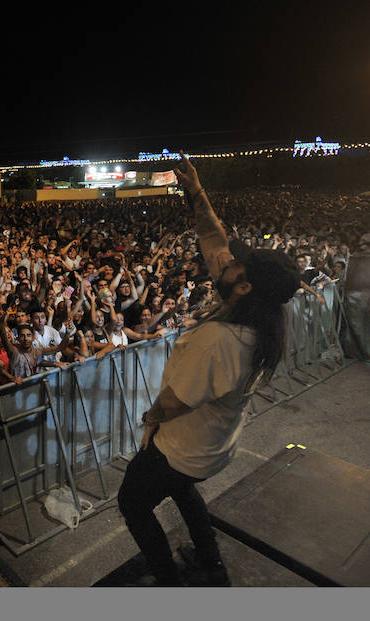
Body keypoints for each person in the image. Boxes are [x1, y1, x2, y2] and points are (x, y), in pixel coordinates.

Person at [117, 154, 302, 587]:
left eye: (237, 265)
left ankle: (169, 580)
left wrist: (149, 421)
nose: (226, 260)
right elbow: (213, 237)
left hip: (181, 449)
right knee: (182, 491)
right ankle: (210, 562)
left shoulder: (220, 340)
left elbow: (175, 401)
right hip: (212, 446)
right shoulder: (258, 317)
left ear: (244, 286)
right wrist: (196, 192)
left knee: (132, 501)